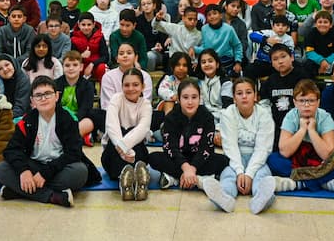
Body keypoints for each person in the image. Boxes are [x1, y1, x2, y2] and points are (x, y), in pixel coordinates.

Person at [0, 75, 89, 207]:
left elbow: (74, 153)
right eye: (38, 95)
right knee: (1, 169)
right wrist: (24, 171)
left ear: (56, 96)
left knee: (80, 172)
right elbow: (11, 150)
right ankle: (52, 196)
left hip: (58, 167)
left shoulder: (68, 119)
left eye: (48, 94)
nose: (43, 98)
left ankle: (20, 190)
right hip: (33, 165)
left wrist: (45, 174)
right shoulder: (26, 121)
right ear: (32, 101)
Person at [201, 77, 277, 215]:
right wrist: (239, 171)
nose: (244, 96)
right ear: (234, 98)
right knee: (228, 176)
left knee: (261, 177)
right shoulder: (228, 113)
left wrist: (249, 174)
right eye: (239, 93)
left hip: (257, 159)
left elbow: (262, 149)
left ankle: (261, 199)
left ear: (255, 96)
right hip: (234, 158)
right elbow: (230, 146)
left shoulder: (264, 115)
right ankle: (224, 198)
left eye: (248, 92)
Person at [268, 79, 334, 193]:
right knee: (273, 160)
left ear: (318, 102)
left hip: (319, 161)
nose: (306, 105)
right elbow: (285, 152)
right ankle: (323, 182)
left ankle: (298, 184)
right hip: (298, 159)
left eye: (311, 101)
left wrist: (312, 131)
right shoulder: (291, 116)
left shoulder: (325, 117)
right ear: (295, 102)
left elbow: (327, 155)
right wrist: (302, 130)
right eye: (302, 101)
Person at [149, 79, 228, 190]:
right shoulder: (171, 118)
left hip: (199, 159)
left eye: (194, 97)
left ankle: (176, 178)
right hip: (178, 159)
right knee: (153, 158)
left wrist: (193, 168)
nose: (190, 102)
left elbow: (206, 147)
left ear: (200, 98)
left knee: (223, 160)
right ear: (179, 99)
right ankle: (198, 179)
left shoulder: (207, 117)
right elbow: (170, 147)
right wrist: (186, 168)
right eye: (185, 97)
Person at [103, 68, 153, 200]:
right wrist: (122, 149)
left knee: (137, 143)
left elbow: (143, 128)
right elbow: (111, 125)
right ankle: (126, 179)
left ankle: (136, 180)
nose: (131, 89)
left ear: (143, 86)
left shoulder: (146, 105)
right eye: (126, 85)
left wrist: (125, 146)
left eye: (135, 85)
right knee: (114, 149)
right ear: (121, 86)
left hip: (135, 150)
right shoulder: (116, 99)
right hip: (114, 149)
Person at [257, 44, 306, 149]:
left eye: (283, 56)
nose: (280, 61)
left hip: (298, 126)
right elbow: (264, 105)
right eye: (275, 59)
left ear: (292, 57)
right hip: (276, 127)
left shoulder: (303, 78)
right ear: (272, 63)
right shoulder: (270, 81)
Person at [56, 51, 96, 139]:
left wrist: (74, 120)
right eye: (67, 65)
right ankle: (77, 137)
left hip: (80, 119)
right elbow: (55, 107)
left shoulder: (87, 86)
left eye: (75, 65)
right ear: (62, 67)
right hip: (60, 119)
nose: (71, 68)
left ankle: (71, 137)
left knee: (88, 122)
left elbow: (86, 108)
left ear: (81, 67)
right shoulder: (56, 84)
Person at [198, 4, 242, 76]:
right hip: (209, 60)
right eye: (209, 15)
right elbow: (203, 47)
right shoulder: (204, 29)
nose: (212, 16)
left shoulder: (229, 29)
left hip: (226, 61)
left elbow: (237, 46)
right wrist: (194, 51)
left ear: (221, 15)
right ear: (206, 18)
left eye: (215, 13)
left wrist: (238, 62)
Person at [196, 49, 233, 129]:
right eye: (203, 62)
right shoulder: (199, 82)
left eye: (210, 61)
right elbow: (200, 105)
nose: (207, 64)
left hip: (222, 117)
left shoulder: (225, 82)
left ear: (217, 64)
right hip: (205, 117)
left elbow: (227, 107)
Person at [301, 10, 334, 77]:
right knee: (308, 64)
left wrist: (327, 61)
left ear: (331, 25)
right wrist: (321, 61)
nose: (322, 24)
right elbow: (309, 52)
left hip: (331, 61)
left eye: (325, 22)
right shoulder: (311, 33)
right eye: (320, 22)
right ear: (315, 24)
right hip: (316, 60)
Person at [70, 12, 108, 81]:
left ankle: (103, 87)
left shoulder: (100, 36)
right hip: (80, 66)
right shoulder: (73, 37)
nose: (86, 27)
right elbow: (71, 57)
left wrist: (92, 64)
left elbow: (105, 57)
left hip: (95, 66)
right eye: (83, 25)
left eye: (89, 25)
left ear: (94, 24)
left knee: (102, 67)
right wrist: (81, 56)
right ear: (79, 25)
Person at [0, 54, 31, 120]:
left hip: (20, 118)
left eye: (7, 65)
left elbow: (21, 107)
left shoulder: (23, 81)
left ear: (13, 64)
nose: (5, 69)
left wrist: (4, 118)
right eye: (0, 69)